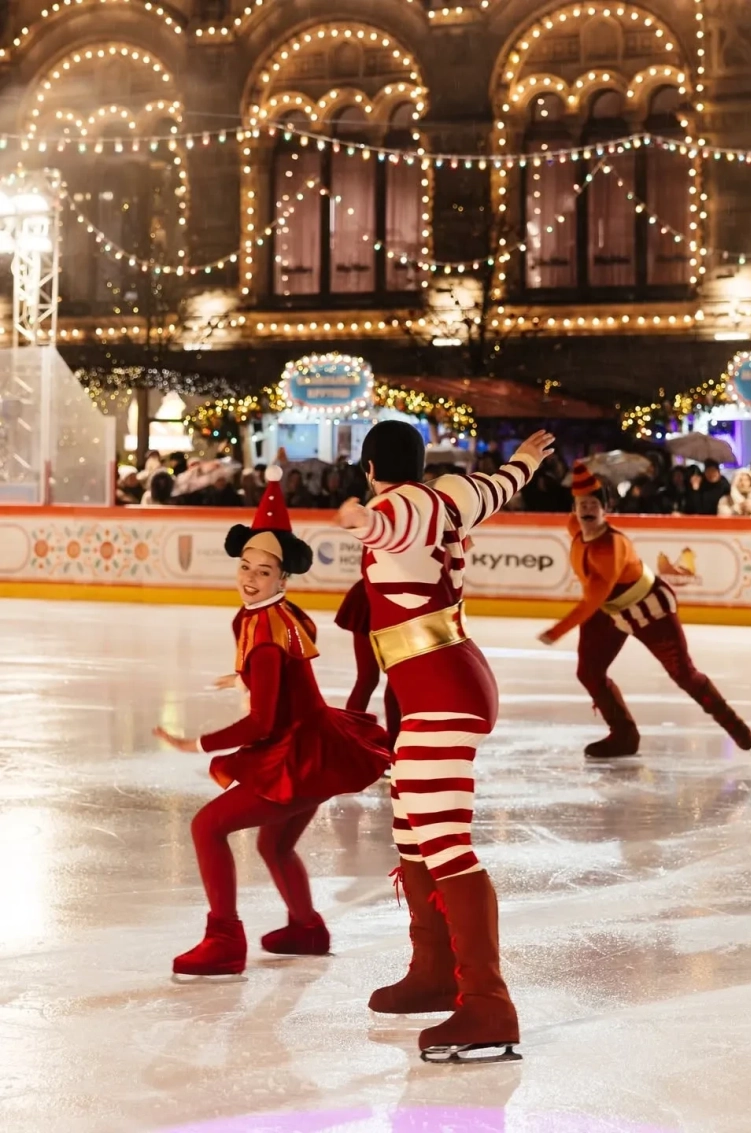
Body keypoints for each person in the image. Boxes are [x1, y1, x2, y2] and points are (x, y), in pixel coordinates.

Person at [336, 421, 554, 1062]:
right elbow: (498, 487)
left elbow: (394, 523)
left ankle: (487, 1002)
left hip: (440, 690)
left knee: (445, 841)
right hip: (443, 680)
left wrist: (363, 518)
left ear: (370, 469)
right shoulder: (453, 495)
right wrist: (522, 461)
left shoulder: (403, 504)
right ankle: (434, 970)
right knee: (412, 830)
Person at [154, 468, 389, 976]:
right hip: (318, 747)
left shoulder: (263, 629)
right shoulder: (276, 614)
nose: (249, 578)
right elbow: (283, 666)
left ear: (283, 579)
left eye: (263, 572)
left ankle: (224, 940)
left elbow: (261, 722)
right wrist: (243, 676)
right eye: (245, 566)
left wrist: (196, 743)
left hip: (297, 755)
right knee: (275, 843)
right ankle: (306, 928)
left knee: (206, 827)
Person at [538, 461, 751, 760]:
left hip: (650, 610)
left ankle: (733, 724)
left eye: (593, 504)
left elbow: (594, 598)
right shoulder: (574, 527)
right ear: (574, 509)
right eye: (581, 505)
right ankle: (623, 735)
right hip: (609, 611)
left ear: (605, 509)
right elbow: (597, 599)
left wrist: (556, 631)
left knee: (683, 674)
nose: (587, 510)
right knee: (589, 672)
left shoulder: (611, 546)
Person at [335, 573, 401, 768]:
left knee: (386, 679)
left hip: (389, 597)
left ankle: (391, 745)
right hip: (375, 598)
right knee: (371, 678)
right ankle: (351, 741)